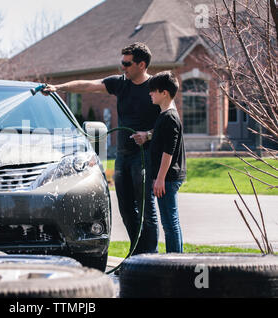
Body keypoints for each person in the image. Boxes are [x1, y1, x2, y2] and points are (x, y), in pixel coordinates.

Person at [43, 42, 160, 255]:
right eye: (121, 62)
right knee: (126, 210)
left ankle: (150, 257)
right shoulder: (120, 84)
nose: (122, 67)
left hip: (144, 157)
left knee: (146, 211)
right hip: (123, 157)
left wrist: (148, 134)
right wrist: (58, 88)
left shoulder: (156, 87)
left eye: (127, 63)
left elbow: (170, 122)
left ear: (142, 64)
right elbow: (88, 85)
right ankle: (137, 255)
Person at [148, 71, 186, 253]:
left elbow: (168, 152)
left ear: (164, 93)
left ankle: (175, 261)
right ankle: (176, 259)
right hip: (166, 177)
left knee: (170, 224)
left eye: (153, 90)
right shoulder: (166, 115)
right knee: (171, 222)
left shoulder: (170, 117)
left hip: (168, 178)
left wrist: (160, 178)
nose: (150, 93)